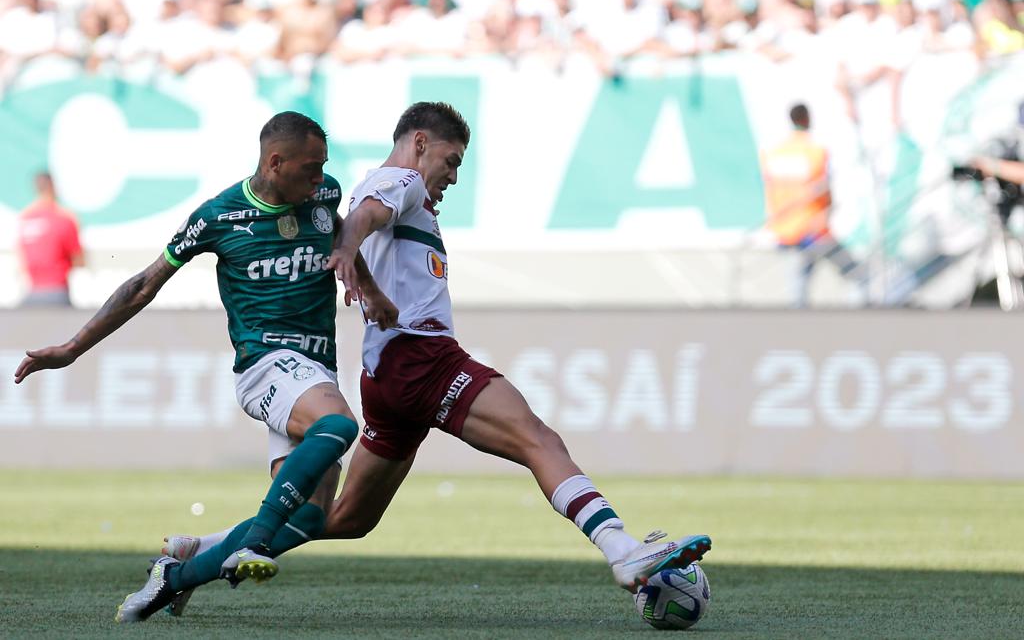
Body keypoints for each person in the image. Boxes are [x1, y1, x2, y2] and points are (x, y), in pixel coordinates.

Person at [158, 101, 711, 619]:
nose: (452, 175)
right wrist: (347, 250)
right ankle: (621, 549)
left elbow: (364, 219)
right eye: (451, 161)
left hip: (388, 376)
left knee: (346, 518)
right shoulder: (399, 180)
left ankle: (194, 558)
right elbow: (367, 216)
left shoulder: (392, 189)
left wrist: (358, 262)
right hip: (420, 358)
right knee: (537, 440)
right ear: (419, 143)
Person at [12, 111, 398, 622]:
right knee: (340, 425)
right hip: (265, 364)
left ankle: (176, 575)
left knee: (308, 515)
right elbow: (142, 285)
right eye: (310, 166)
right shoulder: (219, 216)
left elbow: (342, 245)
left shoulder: (323, 195)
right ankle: (251, 542)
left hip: (315, 369)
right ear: (274, 161)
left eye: (322, 165)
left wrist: (368, 288)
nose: (319, 175)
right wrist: (73, 347)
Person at [761, 103, 861, 307]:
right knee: (855, 274)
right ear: (807, 119)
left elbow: (771, 188)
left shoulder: (774, 153)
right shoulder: (815, 152)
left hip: (787, 228)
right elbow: (824, 187)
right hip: (814, 226)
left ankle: (798, 327)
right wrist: (828, 211)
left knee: (799, 283)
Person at [16, 171, 84, 306]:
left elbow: (21, 259)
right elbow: (79, 260)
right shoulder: (64, 218)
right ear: (53, 187)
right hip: (57, 293)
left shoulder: (25, 218)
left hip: (32, 293)